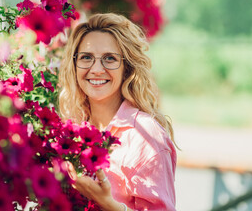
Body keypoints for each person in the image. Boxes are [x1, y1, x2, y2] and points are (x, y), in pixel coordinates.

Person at [58, 13, 177, 211]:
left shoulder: (145, 137)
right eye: (87, 57)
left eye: (109, 58)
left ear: (127, 68)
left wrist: (109, 204)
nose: (96, 69)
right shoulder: (74, 127)